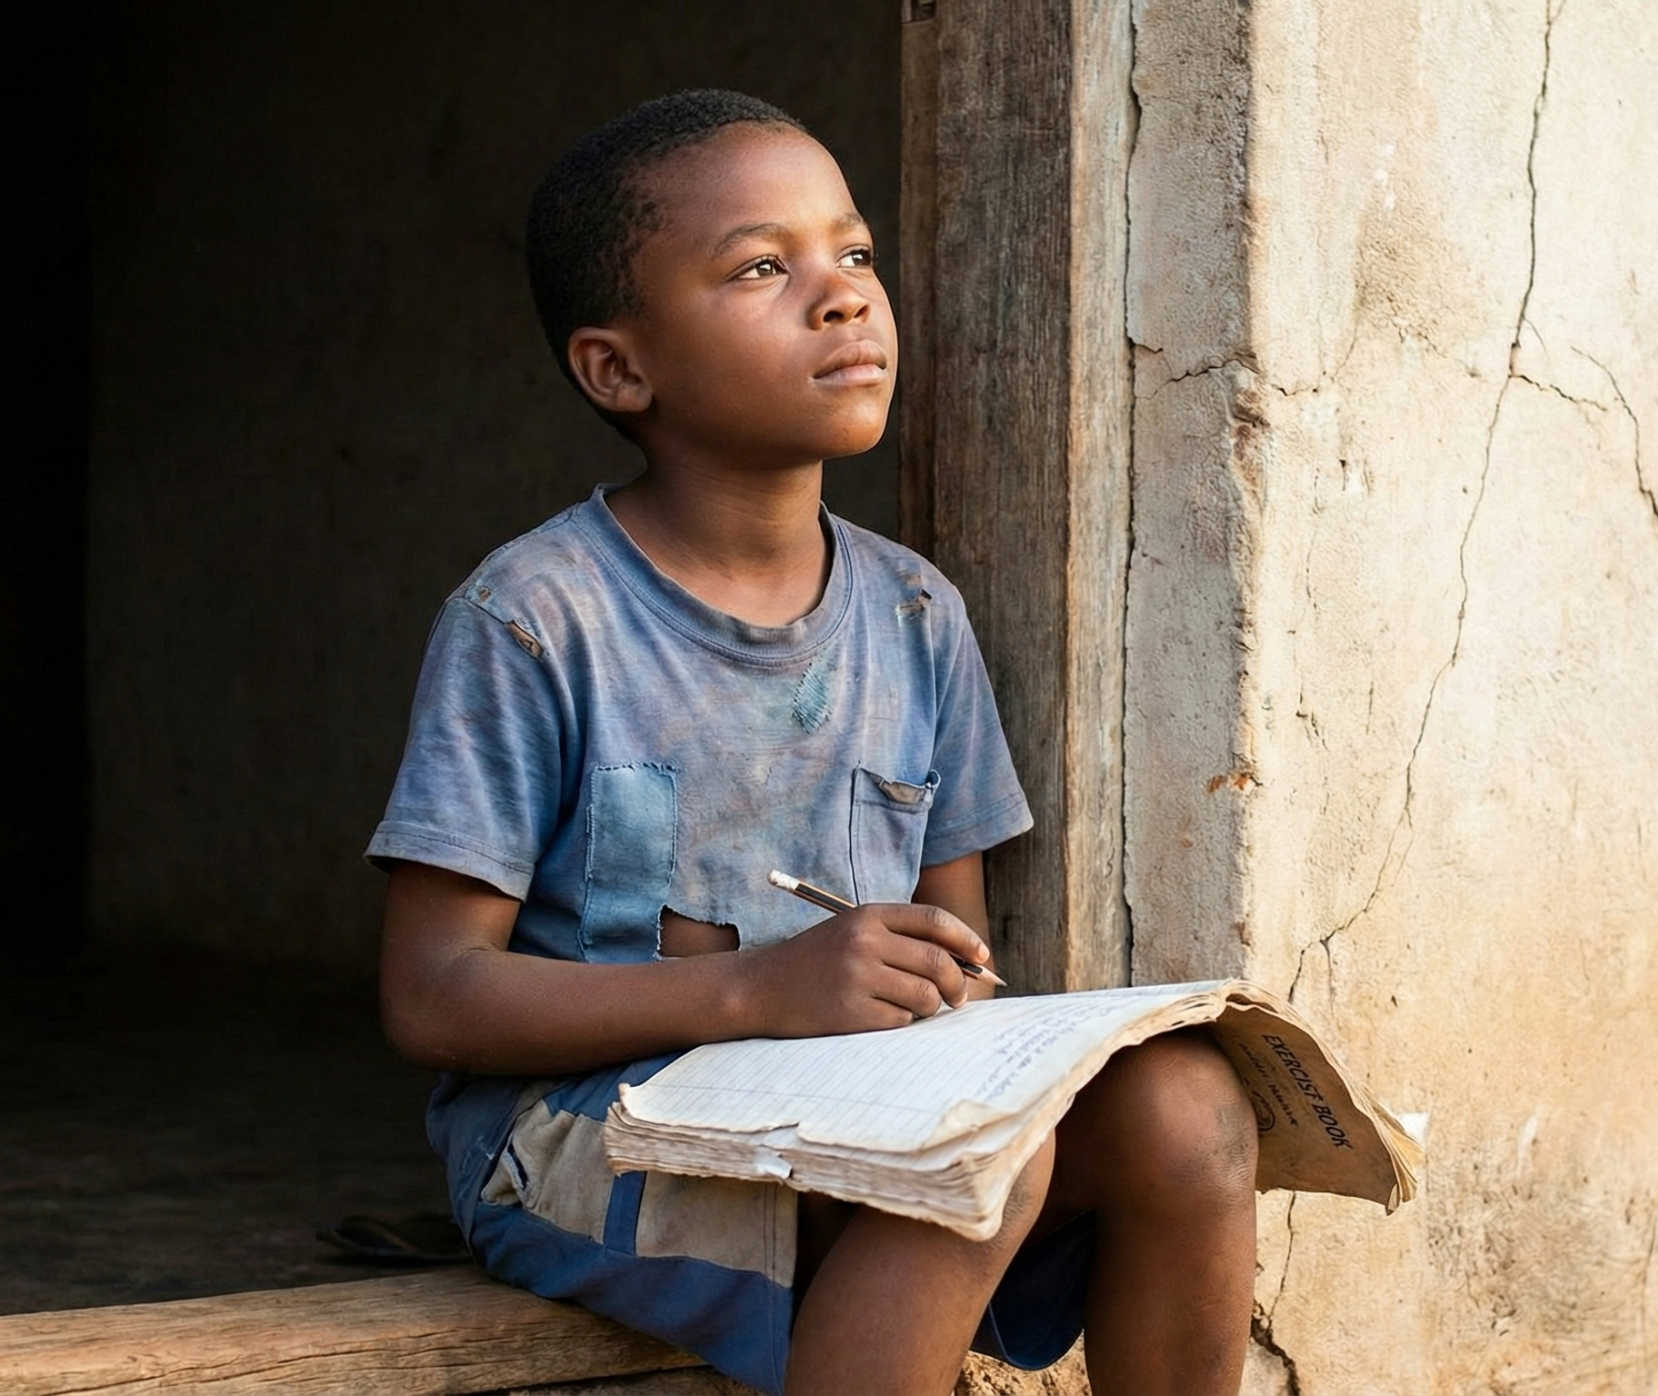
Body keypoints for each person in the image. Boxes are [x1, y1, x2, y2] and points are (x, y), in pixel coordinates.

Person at [368, 89, 1258, 1396]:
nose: (841, 296)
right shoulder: (536, 618)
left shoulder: (913, 615)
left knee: (1192, 1115)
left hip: (843, 1114)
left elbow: (957, 973)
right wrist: (758, 995)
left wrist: (960, 1027)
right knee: (974, 1168)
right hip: (583, 1130)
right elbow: (432, 994)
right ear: (620, 368)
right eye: (763, 268)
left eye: (852, 254)